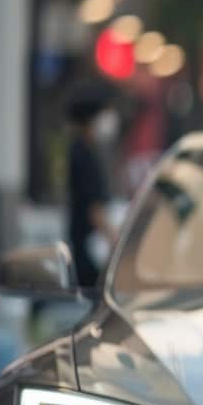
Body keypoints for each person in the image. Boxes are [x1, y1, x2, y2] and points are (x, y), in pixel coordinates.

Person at [67, 87, 119, 289]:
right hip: (90, 251)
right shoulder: (83, 155)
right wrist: (117, 242)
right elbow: (94, 210)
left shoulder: (85, 150)